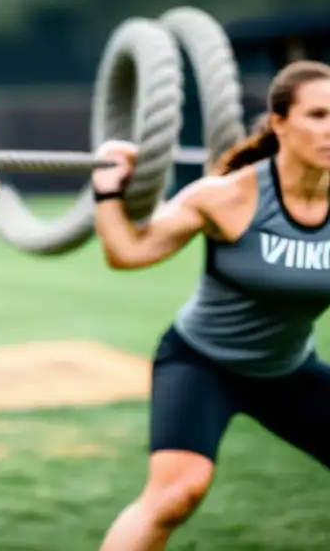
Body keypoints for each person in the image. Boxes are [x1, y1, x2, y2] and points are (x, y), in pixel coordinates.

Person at [91, 59, 330, 551]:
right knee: (176, 495)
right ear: (280, 121)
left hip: (288, 369)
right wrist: (108, 190)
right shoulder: (227, 198)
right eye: (319, 115)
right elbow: (129, 253)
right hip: (203, 364)